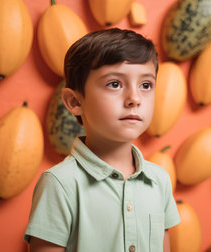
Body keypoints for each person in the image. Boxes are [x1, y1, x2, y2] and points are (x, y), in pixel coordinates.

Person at [24, 28, 180, 252]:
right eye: (115, 84)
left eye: (146, 85)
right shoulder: (60, 183)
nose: (134, 99)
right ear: (75, 102)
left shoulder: (159, 180)